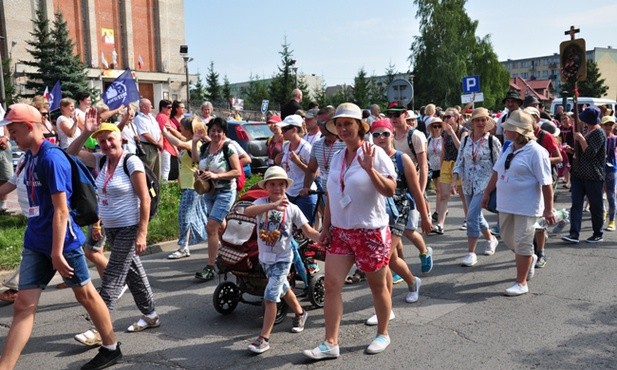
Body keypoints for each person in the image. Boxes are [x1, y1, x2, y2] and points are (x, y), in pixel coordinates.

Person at [0, 104, 121, 370]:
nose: (9, 137)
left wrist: (56, 252)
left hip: (62, 243)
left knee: (86, 295)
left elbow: (61, 210)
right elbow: (9, 190)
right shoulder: (30, 157)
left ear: (29, 127)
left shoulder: (49, 158)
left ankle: (111, 347)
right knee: (23, 305)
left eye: (13, 130)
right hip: (36, 241)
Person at [303, 103, 397, 360]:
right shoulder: (336, 156)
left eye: (348, 124)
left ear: (360, 127)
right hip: (342, 231)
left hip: (370, 230)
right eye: (339, 124)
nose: (343, 129)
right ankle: (330, 342)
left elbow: (390, 190)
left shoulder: (374, 153)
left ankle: (382, 333)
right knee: (332, 284)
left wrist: (369, 169)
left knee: (377, 286)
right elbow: (333, 194)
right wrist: (327, 226)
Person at [68, 117, 160, 346]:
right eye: (102, 141)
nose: (107, 144)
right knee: (134, 274)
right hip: (112, 228)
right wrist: (85, 132)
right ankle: (151, 315)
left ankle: (99, 328)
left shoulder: (131, 163)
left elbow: (145, 199)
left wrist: (142, 233)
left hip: (130, 227)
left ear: (121, 139)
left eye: (111, 139)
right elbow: (70, 153)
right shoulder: (100, 161)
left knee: (112, 277)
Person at [243, 166, 320, 354]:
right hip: (265, 259)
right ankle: (301, 313)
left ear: (286, 186)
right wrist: (272, 206)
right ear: (266, 187)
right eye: (272, 184)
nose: (277, 188)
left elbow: (308, 230)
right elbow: (248, 212)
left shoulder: (292, 209)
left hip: (283, 259)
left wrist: (323, 238)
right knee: (283, 288)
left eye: (280, 184)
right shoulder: (262, 202)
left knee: (270, 296)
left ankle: (264, 338)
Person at [482, 110, 555, 296]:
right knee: (508, 239)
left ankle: (521, 282)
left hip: (526, 206)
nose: (504, 130)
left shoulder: (537, 152)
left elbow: (546, 183)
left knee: (522, 243)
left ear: (520, 131)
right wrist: (487, 193)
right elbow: (497, 172)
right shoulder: (509, 147)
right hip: (506, 204)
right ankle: (529, 257)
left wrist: (549, 210)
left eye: (509, 128)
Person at [368, 118, 432, 322]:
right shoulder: (369, 158)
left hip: (399, 211)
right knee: (392, 259)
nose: (380, 138)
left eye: (385, 133)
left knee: (383, 259)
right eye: (376, 134)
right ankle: (413, 282)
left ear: (392, 135)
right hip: (376, 212)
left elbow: (416, 191)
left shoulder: (402, 159)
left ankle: (385, 309)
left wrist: (424, 217)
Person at [192, 117, 242, 281]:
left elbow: (237, 172)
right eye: (212, 130)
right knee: (220, 227)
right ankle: (232, 251)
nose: (215, 133)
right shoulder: (206, 147)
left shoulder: (229, 148)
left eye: (219, 131)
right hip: (209, 192)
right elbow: (197, 162)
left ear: (224, 133)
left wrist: (217, 175)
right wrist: (199, 173)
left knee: (211, 227)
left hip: (225, 192)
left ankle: (210, 267)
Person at [387, 102, 433, 274]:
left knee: (408, 230)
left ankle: (424, 251)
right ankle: (400, 268)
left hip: (411, 187)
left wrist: (419, 192)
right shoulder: (388, 135)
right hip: (393, 188)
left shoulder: (415, 136)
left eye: (397, 115)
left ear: (405, 115)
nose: (393, 119)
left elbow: (423, 166)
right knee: (393, 230)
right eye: (390, 115)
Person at [452, 107, 501, 266]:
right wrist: (454, 180)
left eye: (483, 119)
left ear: (487, 122)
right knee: (477, 216)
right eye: (477, 120)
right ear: (472, 122)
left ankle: (471, 253)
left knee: (471, 215)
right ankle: (491, 239)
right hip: (467, 184)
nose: (481, 123)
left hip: (485, 184)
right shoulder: (465, 140)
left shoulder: (492, 141)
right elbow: (459, 162)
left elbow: (499, 165)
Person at [161, 117, 208, 259]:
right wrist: (172, 130)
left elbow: (180, 142)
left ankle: (183, 247)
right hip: (188, 186)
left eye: (181, 127)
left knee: (185, 216)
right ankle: (214, 240)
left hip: (192, 186)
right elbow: (181, 137)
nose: (180, 129)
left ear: (188, 130)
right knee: (196, 216)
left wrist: (165, 133)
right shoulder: (191, 141)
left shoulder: (195, 144)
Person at [562, 107, 607, 243]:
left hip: (593, 175)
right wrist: (572, 150)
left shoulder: (599, 133)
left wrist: (581, 139)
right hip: (578, 174)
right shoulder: (588, 131)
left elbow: (590, 153)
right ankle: (574, 234)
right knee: (576, 205)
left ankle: (598, 233)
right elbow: (583, 152)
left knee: (595, 205)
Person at [275, 114, 317, 225]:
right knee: (289, 226)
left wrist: (298, 163)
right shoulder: (286, 146)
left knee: (304, 229)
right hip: (289, 193)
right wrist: (277, 161)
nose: (282, 132)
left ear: (294, 129)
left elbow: (315, 172)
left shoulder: (306, 148)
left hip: (304, 194)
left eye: (285, 129)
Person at [436, 107, 469, 231]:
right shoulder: (444, 133)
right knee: (443, 195)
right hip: (446, 164)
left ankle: (467, 219)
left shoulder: (463, 131)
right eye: (445, 117)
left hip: (459, 164)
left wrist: (453, 133)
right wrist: (440, 168)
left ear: (456, 118)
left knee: (462, 195)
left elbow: (461, 148)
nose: (446, 119)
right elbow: (443, 151)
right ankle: (440, 224)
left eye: (449, 116)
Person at [134, 98, 163, 179]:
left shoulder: (151, 117)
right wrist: (157, 144)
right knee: (148, 170)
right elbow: (145, 134)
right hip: (147, 147)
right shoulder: (139, 118)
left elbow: (159, 131)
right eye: (150, 105)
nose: (152, 106)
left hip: (156, 146)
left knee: (157, 171)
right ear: (143, 107)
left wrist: (161, 141)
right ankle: (148, 189)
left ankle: (156, 189)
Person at [427, 117, 444, 232]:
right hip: (433, 167)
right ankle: (441, 209)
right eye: (435, 126)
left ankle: (438, 211)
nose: (437, 128)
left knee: (439, 190)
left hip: (442, 167)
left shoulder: (443, 139)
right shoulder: (429, 139)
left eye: (439, 126)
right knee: (438, 190)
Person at [156, 99, 178, 181]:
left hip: (168, 145)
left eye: (171, 107)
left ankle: (163, 188)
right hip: (166, 145)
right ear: (162, 108)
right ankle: (163, 189)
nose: (171, 109)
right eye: (168, 107)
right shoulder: (162, 117)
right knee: (165, 169)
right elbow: (166, 133)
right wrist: (175, 147)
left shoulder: (164, 116)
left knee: (165, 168)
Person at [602, 115, 617, 231]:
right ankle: (603, 212)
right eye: (606, 124)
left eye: (610, 124)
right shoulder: (597, 137)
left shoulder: (615, 138)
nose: (608, 127)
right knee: (598, 195)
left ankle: (612, 221)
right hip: (598, 169)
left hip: (611, 169)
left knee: (611, 195)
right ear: (601, 125)